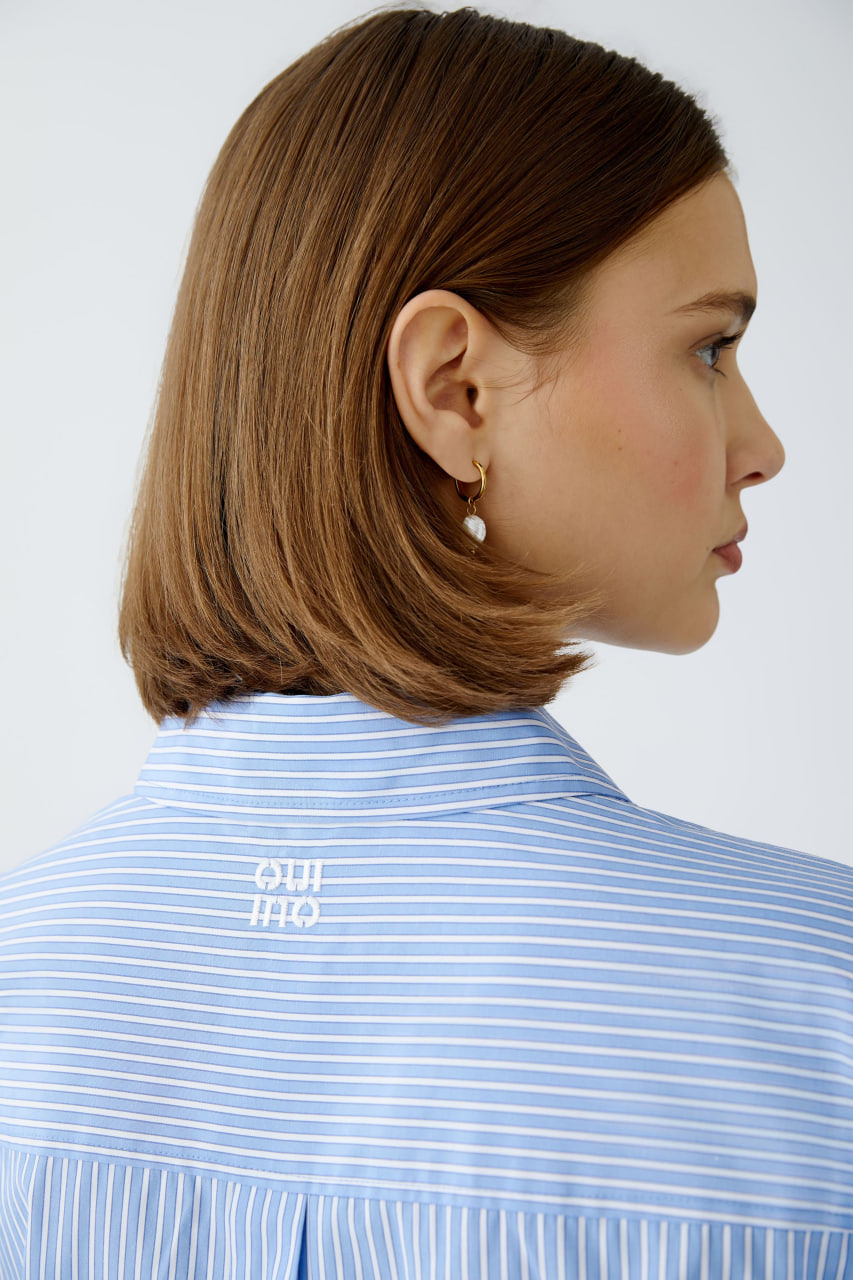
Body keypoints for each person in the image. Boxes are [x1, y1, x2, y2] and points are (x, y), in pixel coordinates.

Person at [1, 7, 851, 1276]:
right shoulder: (818, 1009)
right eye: (709, 347)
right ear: (455, 387)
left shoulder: (21, 978)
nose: (762, 445)